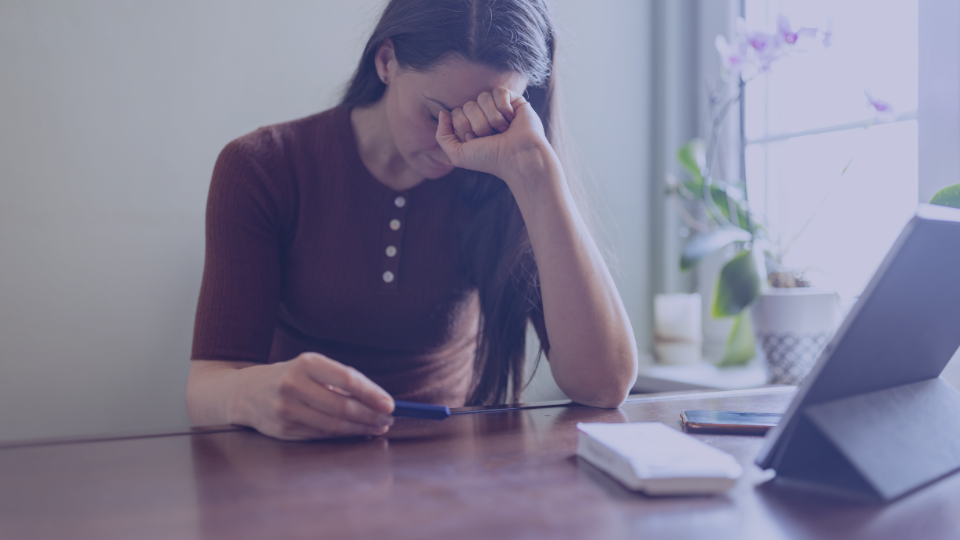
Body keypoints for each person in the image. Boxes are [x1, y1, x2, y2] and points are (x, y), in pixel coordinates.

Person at [186, 0, 638, 440]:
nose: (454, 143)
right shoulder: (263, 168)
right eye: (436, 114)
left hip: (450, 472)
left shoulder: (506, 175)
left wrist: (538, 175)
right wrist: (250, 394)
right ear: (386, 61)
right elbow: (207, 386)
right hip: (298, 465)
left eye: (488, 120)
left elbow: (603, 386)